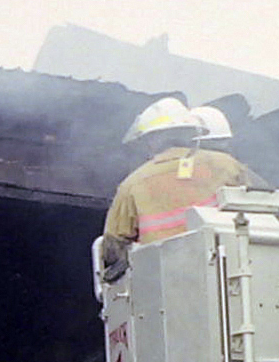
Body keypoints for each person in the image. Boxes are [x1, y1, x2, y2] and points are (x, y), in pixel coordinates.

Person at [100, 97, 255, 280]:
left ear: (151, 140)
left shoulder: (132, 184)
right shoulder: (227, 165)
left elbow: (113, 247)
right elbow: (260, 211)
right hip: (229, 275)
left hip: (166, 282)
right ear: (191, 133)